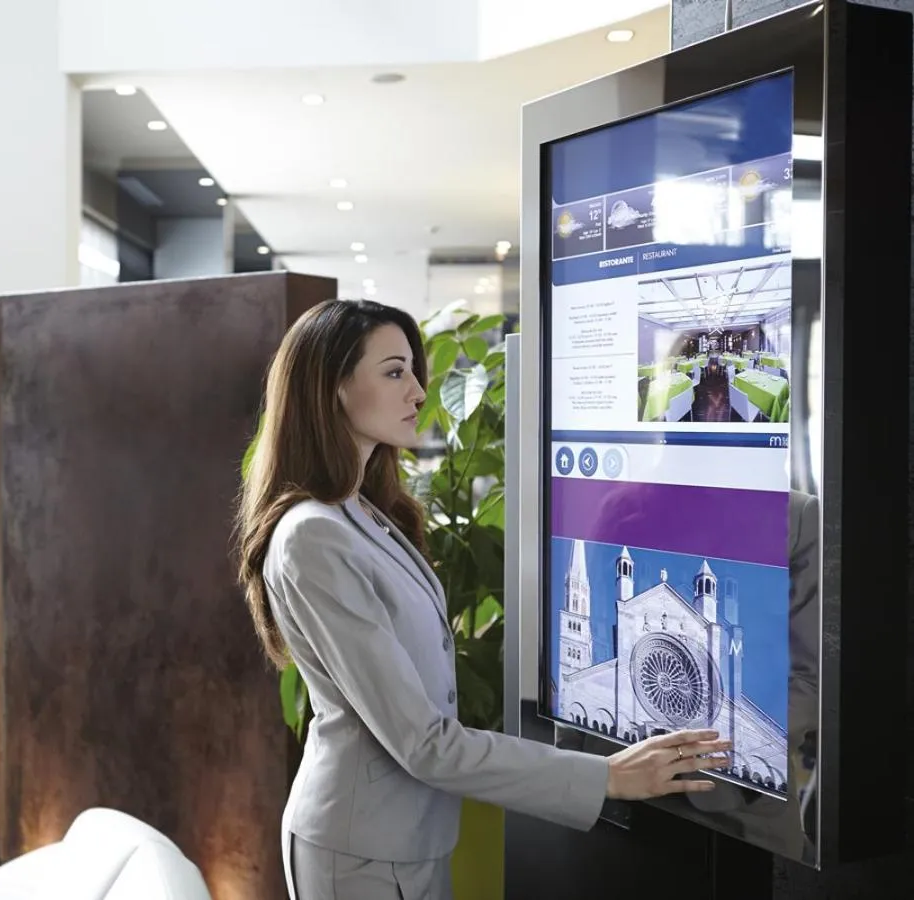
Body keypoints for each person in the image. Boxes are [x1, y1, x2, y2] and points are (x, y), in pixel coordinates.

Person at [235, 299, 732, 900]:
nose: (419, 391)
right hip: (360, 848)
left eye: (414, 370)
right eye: (394, 372)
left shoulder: (363, 511)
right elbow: (422, 742)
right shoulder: (313, 534)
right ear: (333, 387)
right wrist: (608, 777)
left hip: (406, 837)